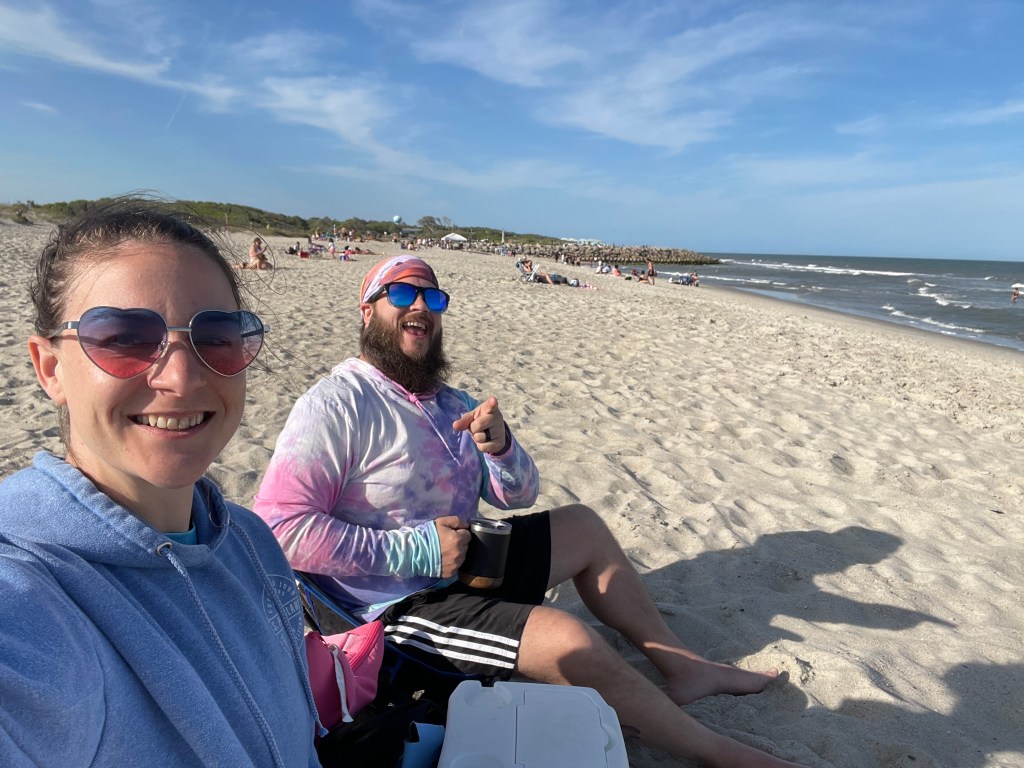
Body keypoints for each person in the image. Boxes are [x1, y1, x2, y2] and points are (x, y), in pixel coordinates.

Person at [254, 255, 805, 767]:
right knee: (569, 640)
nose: (421, 305)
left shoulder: (454, 402)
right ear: (368, 309)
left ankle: (680, 664)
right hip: (390, 612)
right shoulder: (336, 403)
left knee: (585, 526)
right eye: (402, 292)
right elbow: (280, 528)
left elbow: (518, 496)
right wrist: (417, 546)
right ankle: (720, 753)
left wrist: (502, 449)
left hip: (466, 563)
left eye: (433, 297)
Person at [0, 199, 320, 766]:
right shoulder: (31, 587)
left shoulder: (251, 541)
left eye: (218, 336)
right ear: (49, 369)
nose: (181, 377)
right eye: (123, 337)